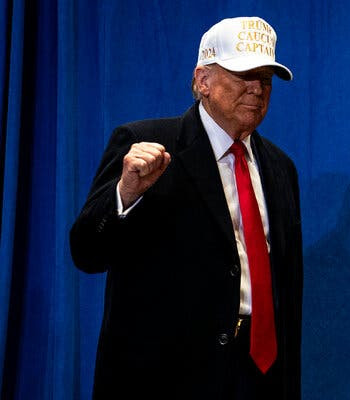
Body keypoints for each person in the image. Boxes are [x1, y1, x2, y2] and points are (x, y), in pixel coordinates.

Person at [70, 16, 303, 400]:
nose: (257, 88)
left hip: (260, 377)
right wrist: (125, 193)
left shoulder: (280, 167)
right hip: (167, 378)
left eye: (266, 77)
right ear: (202, 81)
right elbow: (87, 253)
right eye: (243, 73)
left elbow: (286, 292)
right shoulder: (145, 144)